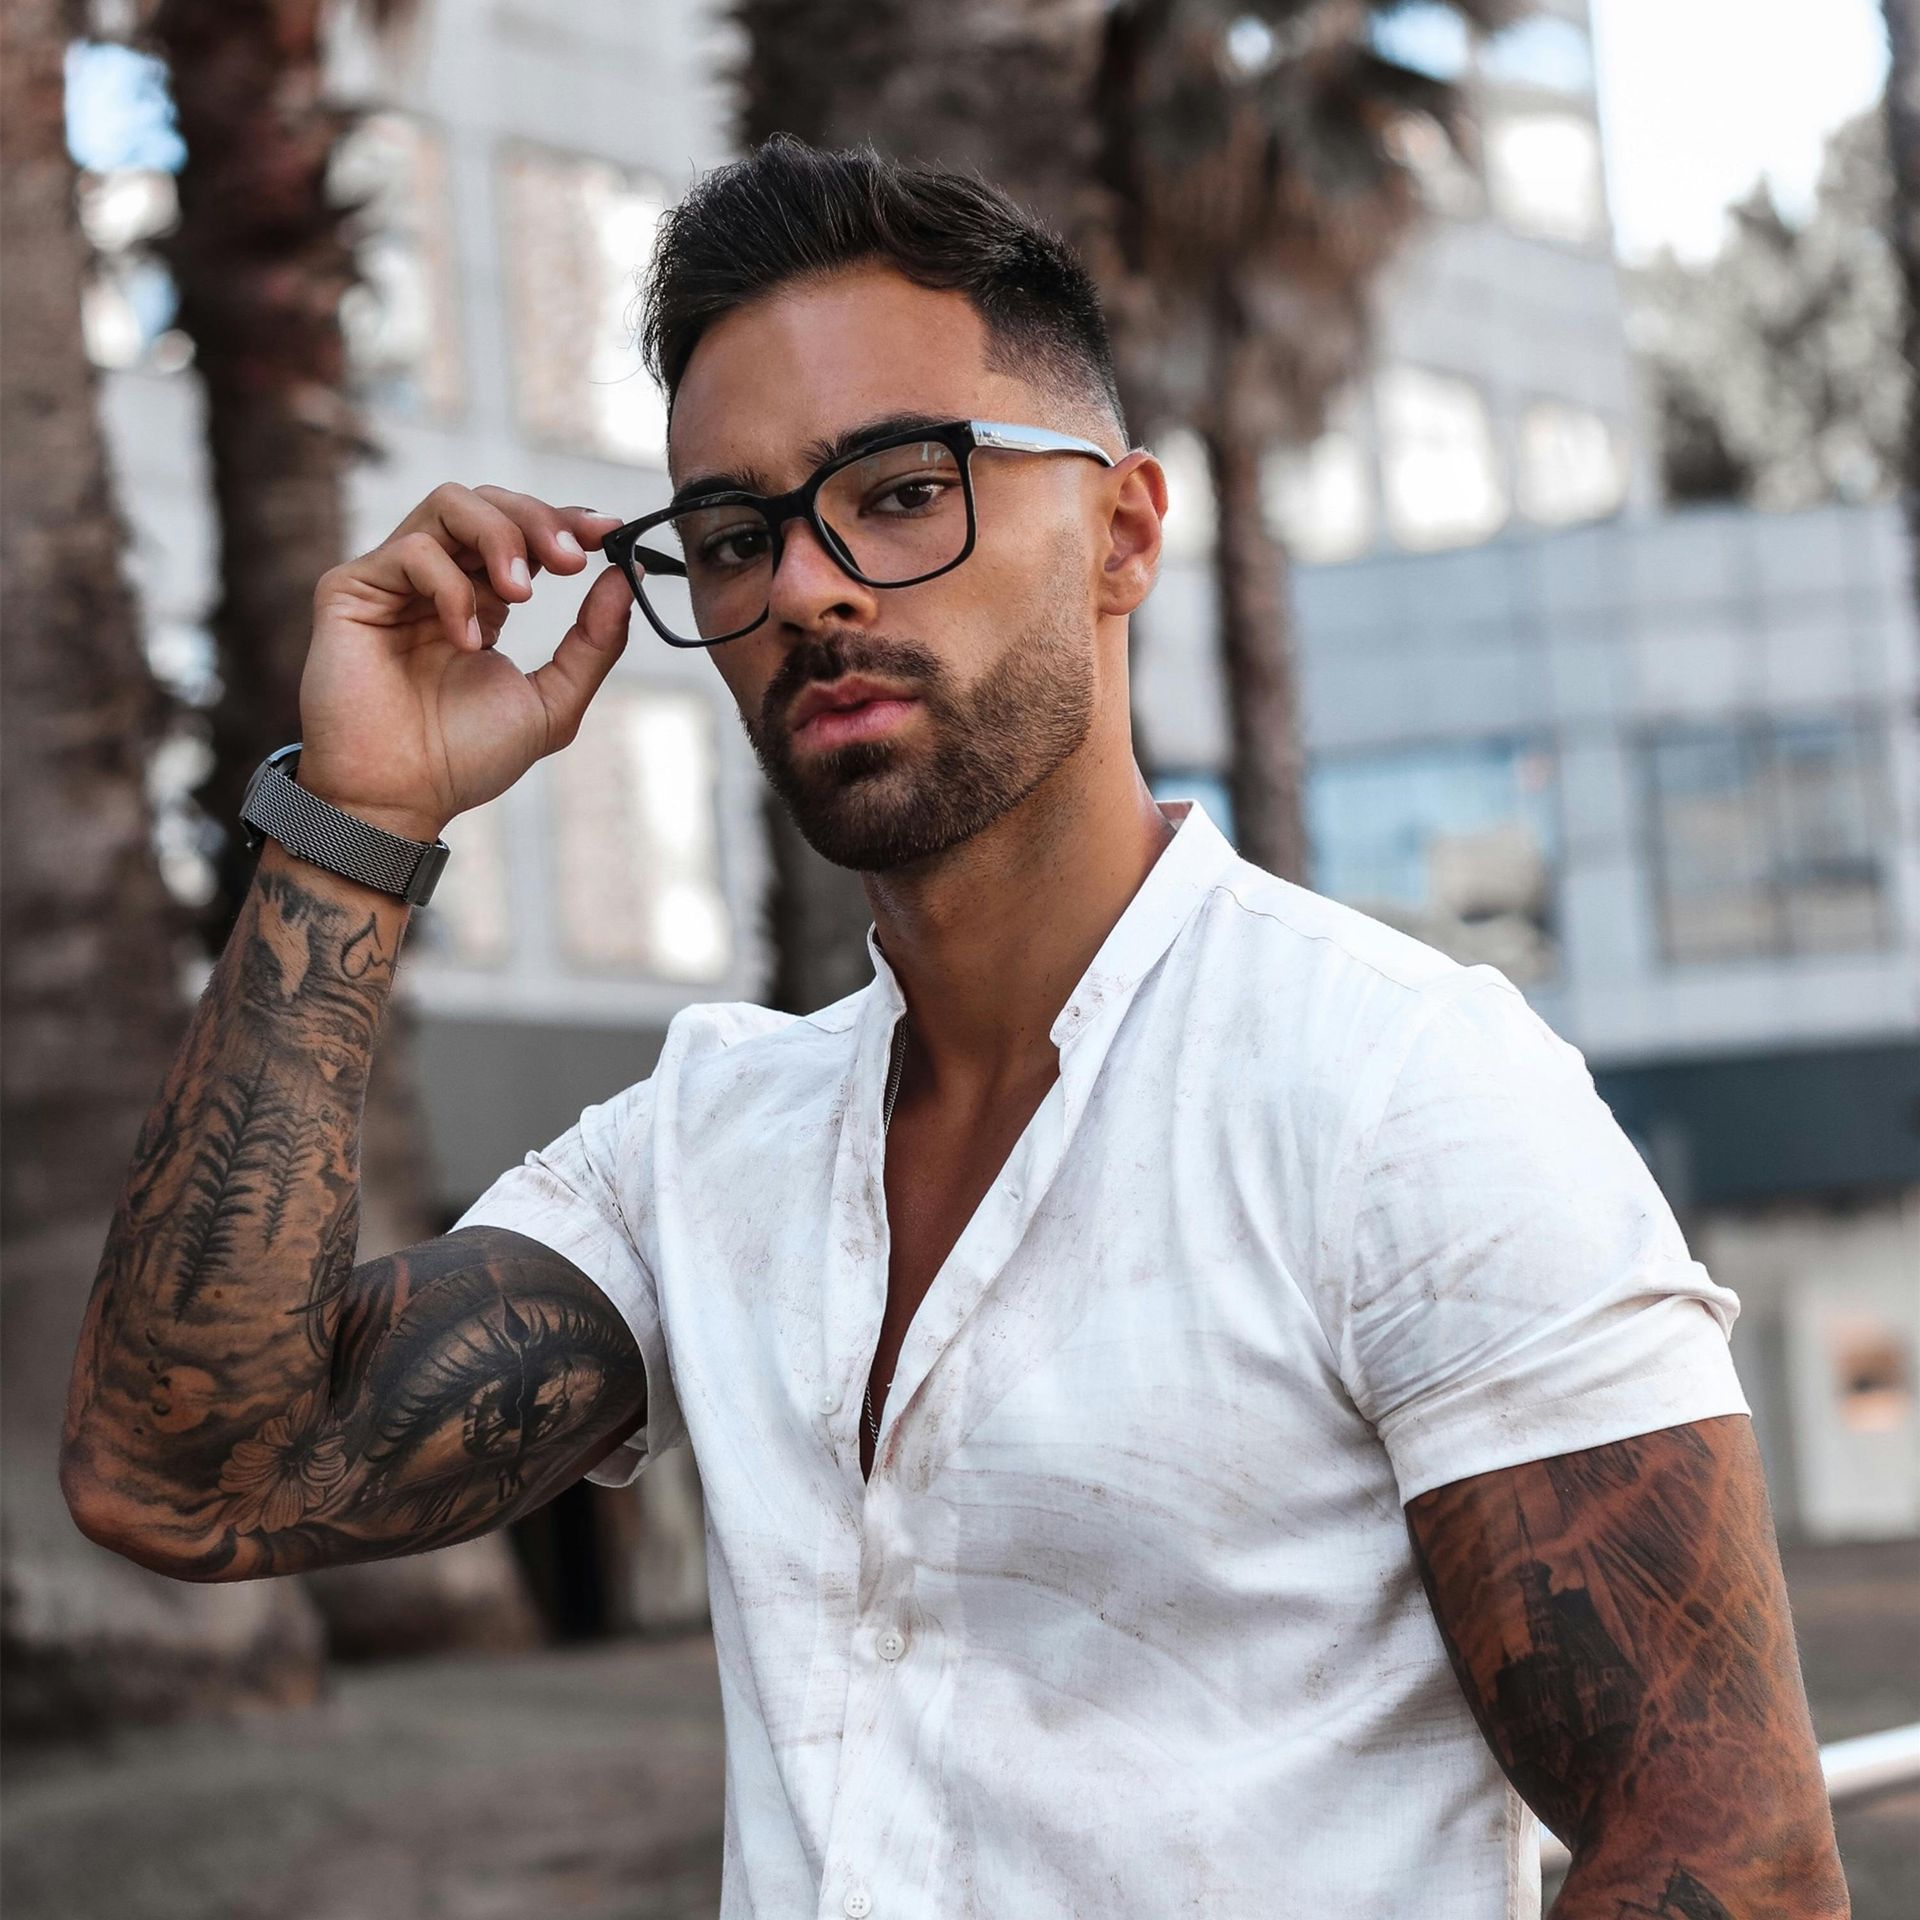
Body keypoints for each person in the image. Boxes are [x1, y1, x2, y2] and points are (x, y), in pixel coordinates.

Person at [63, 137, 1845, 1918]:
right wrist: (357, 829)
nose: (814, 588)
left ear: (1125, 531)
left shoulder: (1401, 1089)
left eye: (904, 490)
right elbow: (190, 1473)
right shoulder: (706, 1143)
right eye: (742, 535)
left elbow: (1728, 1864)